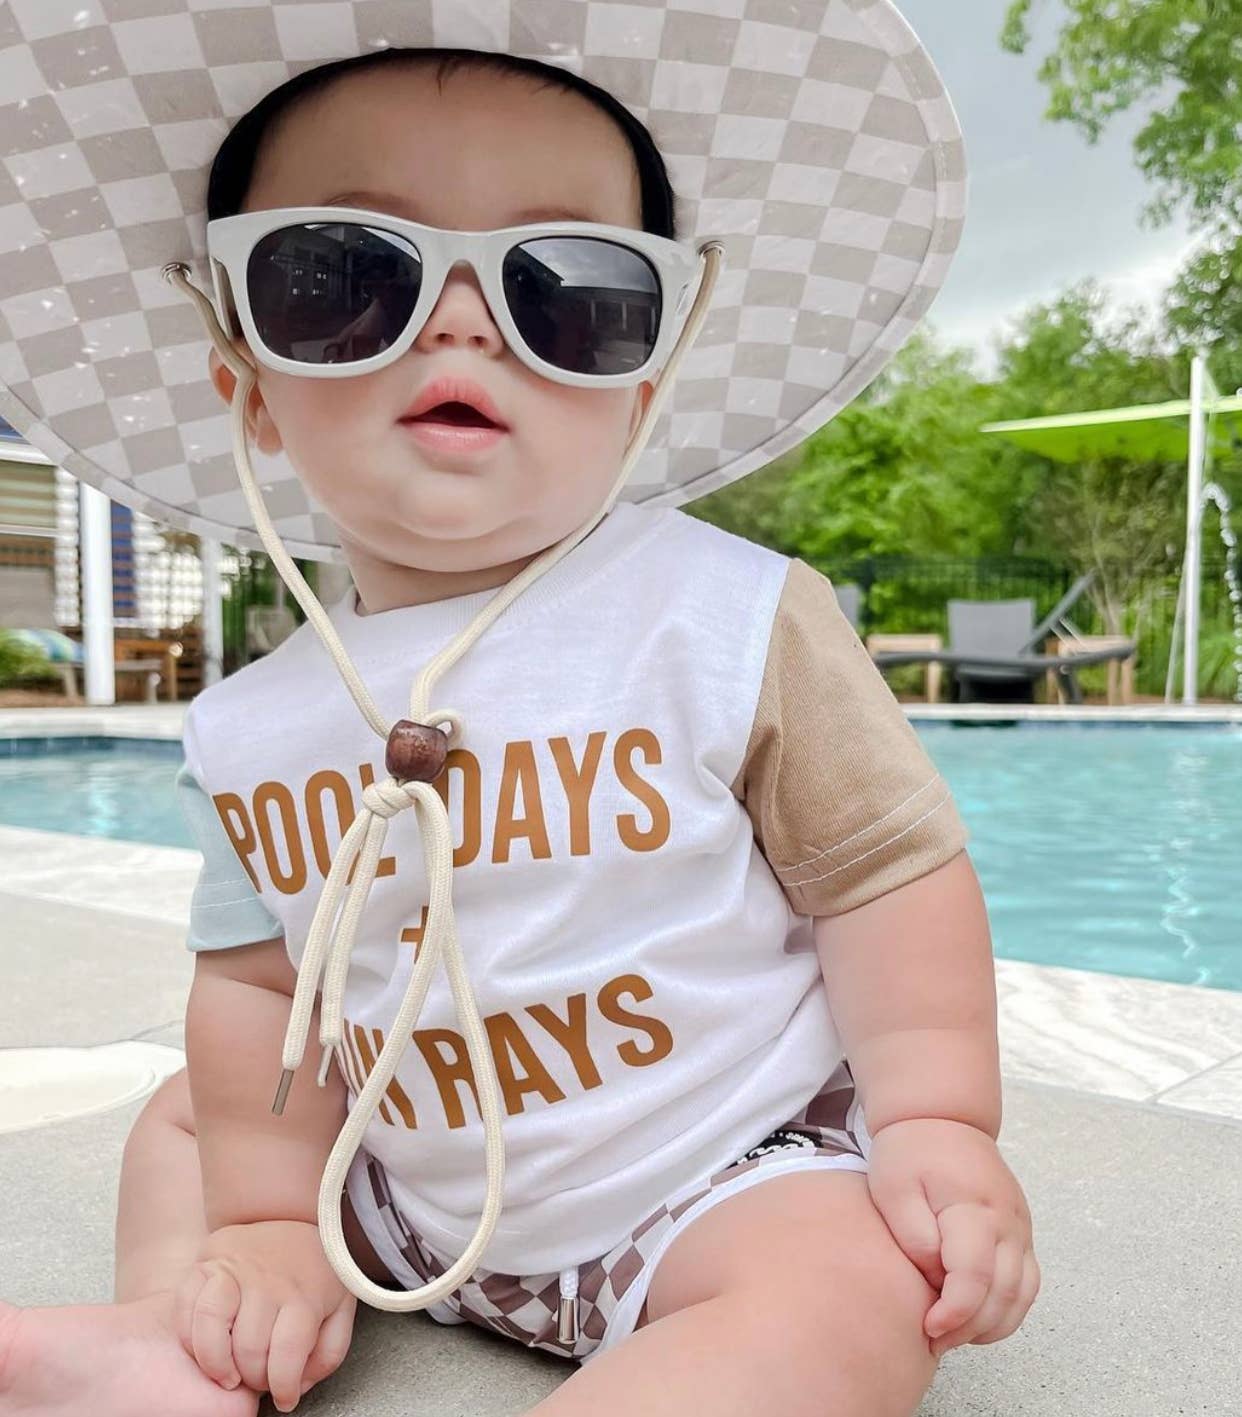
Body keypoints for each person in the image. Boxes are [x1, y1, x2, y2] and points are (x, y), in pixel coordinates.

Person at [0, 6, 1039, 1416]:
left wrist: (933, 1118)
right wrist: (260, 1212)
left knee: (852, 1282)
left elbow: (884, 875)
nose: (461, 318)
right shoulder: (246, 724)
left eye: (571, 290)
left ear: (643, 386)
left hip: (707, 1172)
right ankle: (175, 1344)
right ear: (247, 385)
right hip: (401, 1175)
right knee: (191, 1121)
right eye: (341, 274)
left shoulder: (726, 617)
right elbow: (254, 991)